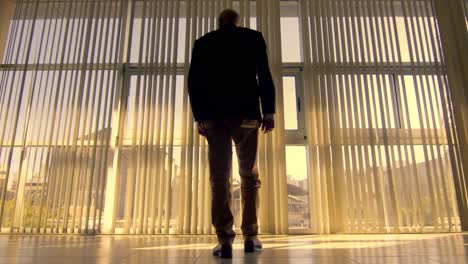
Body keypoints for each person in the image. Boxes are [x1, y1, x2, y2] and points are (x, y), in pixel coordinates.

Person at [188, 8, 276, 259]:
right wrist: (268, 112)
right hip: (247, 114)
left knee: (219, 178)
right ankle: (251, 236)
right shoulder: (253, 38)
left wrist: (200, 117)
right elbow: (264, 76)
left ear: (219, 23)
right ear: (237, 22)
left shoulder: (204, 43)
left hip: (214, 117)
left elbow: (195, 82)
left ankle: (224, 240)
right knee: (249, 176)